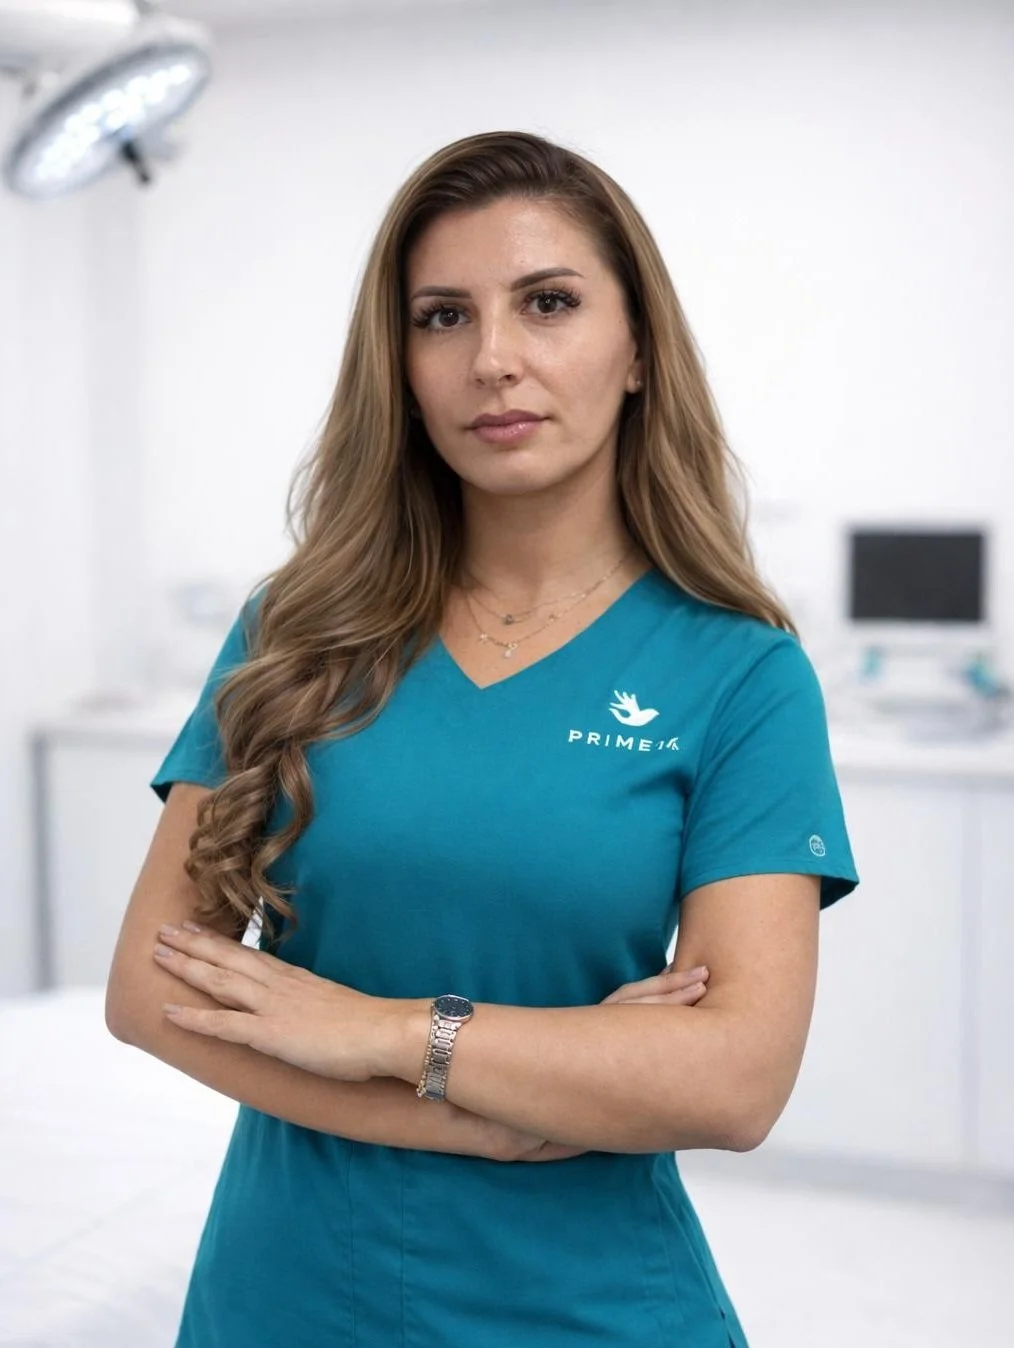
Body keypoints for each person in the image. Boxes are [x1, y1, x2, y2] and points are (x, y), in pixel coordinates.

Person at [105, 129, 859, 1348]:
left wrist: (389, 1031)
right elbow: (150, 990)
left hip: (587, 1307)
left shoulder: (741, 675)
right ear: (399, 364)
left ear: (637, 354)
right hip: (284, 1299)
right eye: (443, 316)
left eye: (548, 303)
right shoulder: (293, 632)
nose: (494, 360)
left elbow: (734, 1080)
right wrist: (477, 1109)